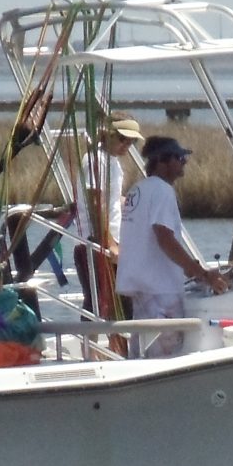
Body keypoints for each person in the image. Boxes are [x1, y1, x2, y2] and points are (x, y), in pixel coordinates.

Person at [116, 135, 228, 356]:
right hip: (161, 292)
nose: (184, 162)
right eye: (179, 157)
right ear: (162, 161)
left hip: (141, 290)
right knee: (165, 358)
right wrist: (201, 274)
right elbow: (164, 237)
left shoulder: (137, 190)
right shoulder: (162, 191)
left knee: (142, 358)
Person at [69, 115, 143, 317]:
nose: (126, 145)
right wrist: (110, 243)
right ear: (107, 134)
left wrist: (126, 201)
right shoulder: (95, 160)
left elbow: (108, 197)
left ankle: (118, 347)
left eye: (131, 141)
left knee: (122, 302)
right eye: (122, 139)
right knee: (98, 302)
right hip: (96, 242)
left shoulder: (113, 163)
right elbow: (96, 203)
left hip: (113, 240)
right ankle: (91, 347)